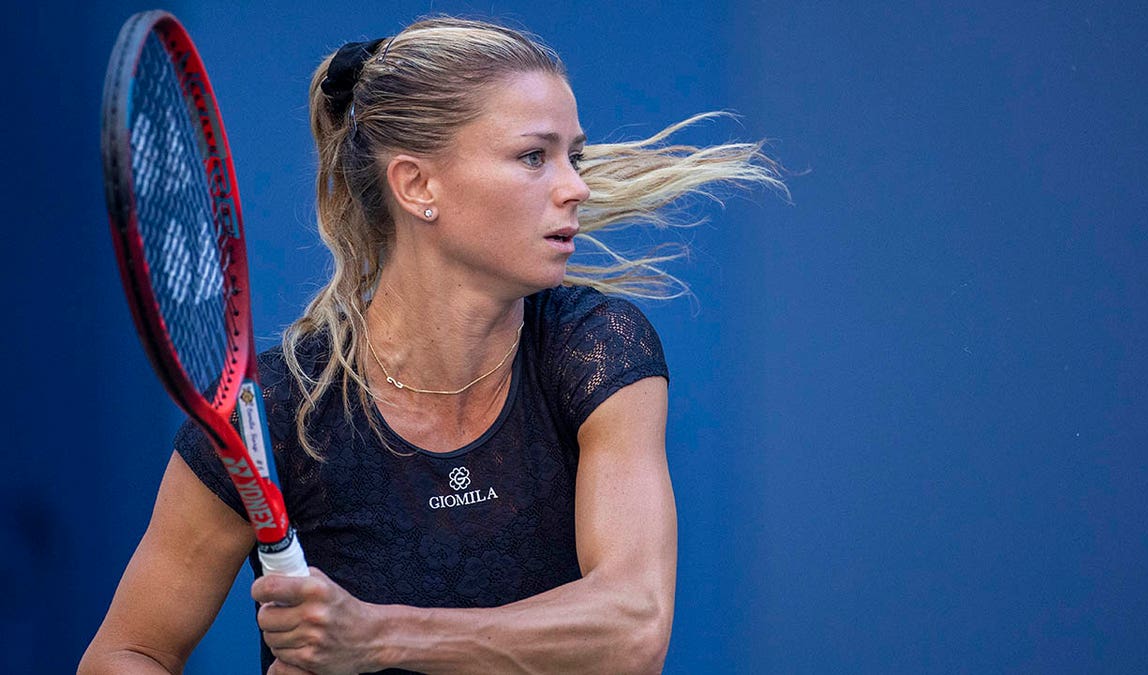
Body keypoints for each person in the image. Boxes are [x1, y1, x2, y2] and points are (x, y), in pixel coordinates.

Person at [80, 16, 781, 675]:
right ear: (417, 184)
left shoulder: (595, 347)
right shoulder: (278, 416)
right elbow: (125, 652)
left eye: (576, 155)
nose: (577, 186)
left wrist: (376, 635)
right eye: (534, 156)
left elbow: (634, 626)